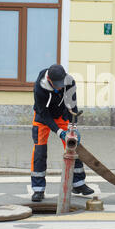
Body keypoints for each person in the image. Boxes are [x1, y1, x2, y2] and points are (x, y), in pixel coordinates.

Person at [31, 64, 94, 202]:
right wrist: (59, 132)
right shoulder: (39, 88)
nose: (59, 87)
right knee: (40, 151)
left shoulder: (69, 82)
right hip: (43, 118)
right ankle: (38, 189)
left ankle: (78, 184)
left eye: (61, 83)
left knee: (74, 145)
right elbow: (44, 114)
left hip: (61, 116)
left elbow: (72, 105)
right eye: (56, 84)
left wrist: (73, 127)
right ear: (49, 79)